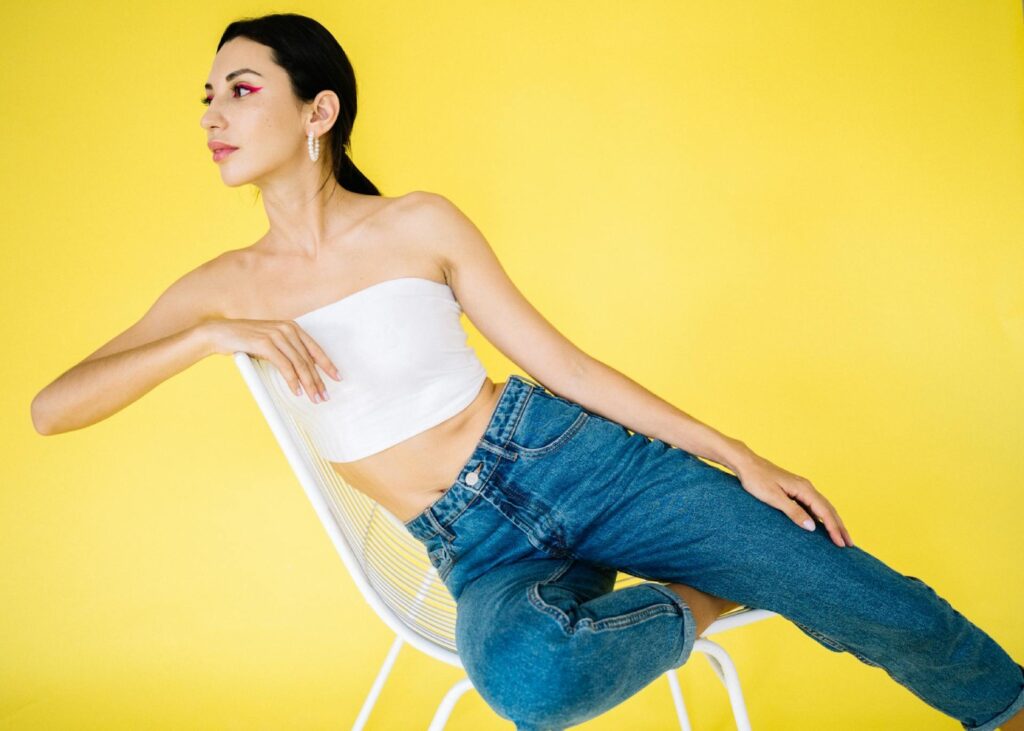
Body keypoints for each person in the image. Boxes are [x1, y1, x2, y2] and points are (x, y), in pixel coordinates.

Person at [30, 13, 1023, 731]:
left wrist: (740, 455)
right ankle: (700, 597)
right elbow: (51, 407)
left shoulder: (415, 222)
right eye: (205, 97)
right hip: (476, 552)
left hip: (575, 460)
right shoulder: (222, 287)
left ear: (317, 108)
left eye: (240, 88)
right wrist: (209, 338)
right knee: (532, 683)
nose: (213, 112)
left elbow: (564, 364)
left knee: (844, 583)